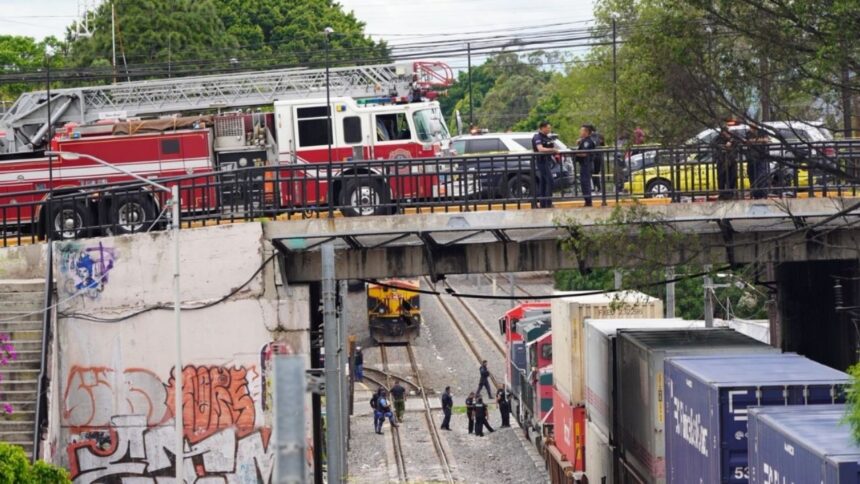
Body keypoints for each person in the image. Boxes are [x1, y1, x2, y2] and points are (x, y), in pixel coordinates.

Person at [531, 121, 559, 208]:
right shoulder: (537, 137)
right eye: (548, 128)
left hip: (547, 161)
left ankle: (543, 203)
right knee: (550, 181)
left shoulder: (547, 137)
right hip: (541, 162)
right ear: (542, 128)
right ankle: (548, 203)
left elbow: (551, 146)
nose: (549, 129)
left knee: (543, 183)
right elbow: (540, 149)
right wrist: (553, 150)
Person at [711, 127, 739, 200]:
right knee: (721, 178)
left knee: (732, 177)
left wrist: (731, 141)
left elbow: (738, 143)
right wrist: (723, 146)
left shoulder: (733, 138)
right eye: (725, 132)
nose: (727, 134)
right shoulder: (718, 138)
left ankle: (731, 193)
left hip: (732, 161)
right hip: (722, 161)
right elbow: (713, 144)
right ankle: (722, 194)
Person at [745, 124, 770, 199]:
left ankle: (762, 194)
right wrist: (759, 141)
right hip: (751, 158)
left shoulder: (763, 131)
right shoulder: (748, 133)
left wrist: (754, 141)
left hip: (761, 157)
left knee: (761, 176)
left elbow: (766, 140)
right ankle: (755, 194)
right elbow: (746, 141)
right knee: (752, 176)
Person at [576, 124, 597, 207]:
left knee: (585, 183)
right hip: (584, 164)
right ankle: (587, 201)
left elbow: (585, 153)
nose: (580, 132)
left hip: (587, 164)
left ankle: (588, 202)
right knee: (584, 183)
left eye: (581, 131)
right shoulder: (584, 141)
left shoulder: (588, 141)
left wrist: (574, 154)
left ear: (586, 132)